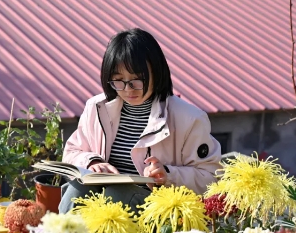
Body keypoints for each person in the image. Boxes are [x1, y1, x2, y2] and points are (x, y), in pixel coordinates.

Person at [59, 28, 222, 214]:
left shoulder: (189, 118)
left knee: (117, 194)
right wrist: (92, 162)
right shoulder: (96, 108)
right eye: (118, 81)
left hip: (155, 210)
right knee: (76, 189)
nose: (128, 89)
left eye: (137, 80)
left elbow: (211, 178)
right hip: (102, 200)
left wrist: (168, 174)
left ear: (157, 71)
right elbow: (72, 151)